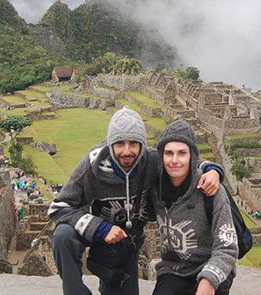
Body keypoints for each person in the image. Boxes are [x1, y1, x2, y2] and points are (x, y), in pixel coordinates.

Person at [50, 107, 224, 295]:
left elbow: (182, 162)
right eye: (120, 144)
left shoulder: (150, 161)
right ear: (110, 144)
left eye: (133, 143)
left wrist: (213, 170)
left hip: (125, 242)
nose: (127, 151)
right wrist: (100, 228)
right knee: (63, 235)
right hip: (93, 231)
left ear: (141, 145)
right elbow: (58, 208)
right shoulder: (92, 167)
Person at [150, 120, 238, 295]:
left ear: (192, 157)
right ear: (161, 156)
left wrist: (209, 279)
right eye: (169, 153)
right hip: (173, 268)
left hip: (211, 263)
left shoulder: (212, 190)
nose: (174, 160)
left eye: (182, 153)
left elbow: (227, 247)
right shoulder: (154, 187)